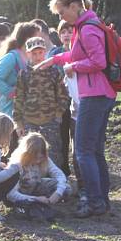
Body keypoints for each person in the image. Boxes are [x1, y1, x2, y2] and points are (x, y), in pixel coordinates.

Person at [35, 0, 117, 218]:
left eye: (62, 12)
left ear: (74, 6)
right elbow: (78, 53)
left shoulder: (88, 28)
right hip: (102, 93)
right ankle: (101, 199)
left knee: (83, 151)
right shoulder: (89, 24)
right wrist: (56, 59)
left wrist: (73, 67)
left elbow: (97, 61)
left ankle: (93, 201)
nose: (62, 19)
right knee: (95, 151)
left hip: (94, 95)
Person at [14, 37, 69, 168]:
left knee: (53, 153)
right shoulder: (24, 74)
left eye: (40, 52)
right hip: (29, 121)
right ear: (28, 54)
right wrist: (18, 122)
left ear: (45, 52)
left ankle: (56, 182)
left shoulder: (54, 72)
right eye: (34, 53)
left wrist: (58, 113)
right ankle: (29, 181)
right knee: (28, 153)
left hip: (50, 120)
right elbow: (18, 98)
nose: (38, 56)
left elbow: (63, 95)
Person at [47, 20, 77, 180]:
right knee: (62, 136)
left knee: (77, 137)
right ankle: (63, 168)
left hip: (78, 100)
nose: (67, 35)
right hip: (61, 102)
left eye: (70, 31)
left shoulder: (80, 51)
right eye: (63, 32)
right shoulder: (54, 53)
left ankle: (80, 169)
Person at [6, 132, 70, 206]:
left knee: (66, 188)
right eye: (35, 158)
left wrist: (57, 194)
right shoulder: (16, 165)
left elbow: (59, 175)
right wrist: (36, 199)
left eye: (41, 158)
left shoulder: (45, 160)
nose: (38, 161)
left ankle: (46, 200)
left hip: (35, 187)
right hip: (19, 194)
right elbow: (10, 195)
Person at [0, 22, 39, 117]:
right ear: (27, 38)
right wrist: (13, 92)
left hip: (28, 112)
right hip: (10, 111)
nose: (41, 40)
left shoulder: (32, 56)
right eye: (37, 37)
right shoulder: (11, 57)